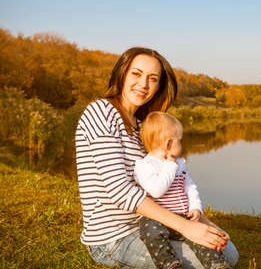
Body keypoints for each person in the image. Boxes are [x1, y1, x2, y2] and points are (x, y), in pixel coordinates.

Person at [75, 47, 238, 269]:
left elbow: (166, 184)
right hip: (114, 237)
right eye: (136, 74)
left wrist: (202, 222)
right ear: (122, 74)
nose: (143, 84)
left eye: (152, 79)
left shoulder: (143, 125)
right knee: (218, 259)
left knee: (227, 251)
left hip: (152, 225)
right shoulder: (101, 112)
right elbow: (120, 192)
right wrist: (185, 228)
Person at [134, 111, 231, 269]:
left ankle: (217, 264)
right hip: (160, 220)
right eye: (180, 140)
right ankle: (169, 264)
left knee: (201, 238)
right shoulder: (144, 166)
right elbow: (157, 191)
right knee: (148, 228)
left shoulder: (180, 163)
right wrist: (170, 165)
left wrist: (195, 207)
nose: (182, 144)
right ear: (168, 144)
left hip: (184, 217)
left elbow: (190, 186)